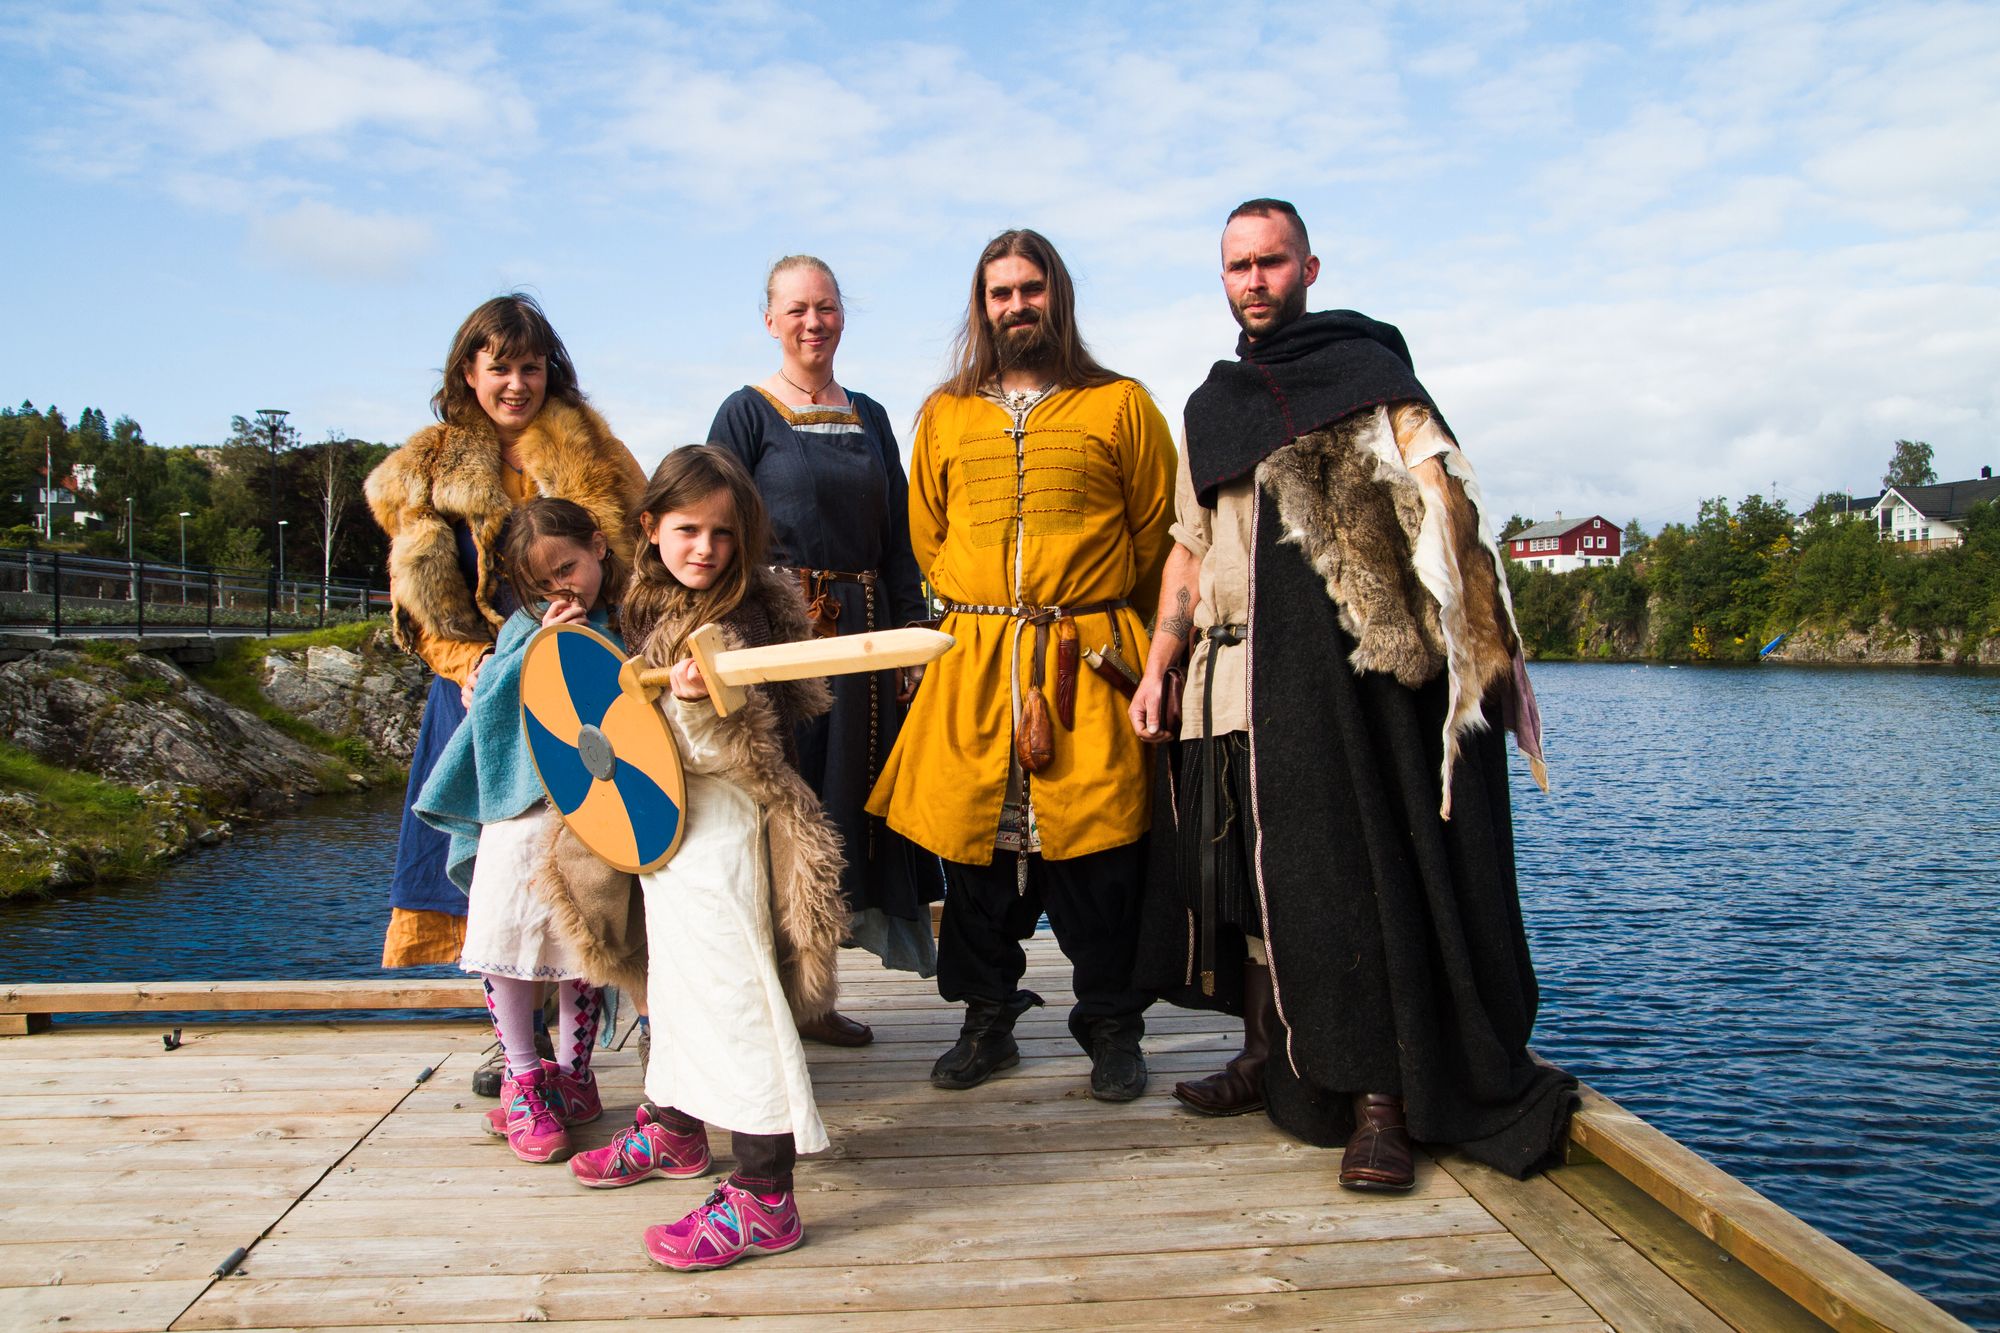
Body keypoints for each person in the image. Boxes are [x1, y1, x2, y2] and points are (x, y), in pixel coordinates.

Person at [1129, 198, 1574, 1190]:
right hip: (1228, 677)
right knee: (1245, 883)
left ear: (1309, 267)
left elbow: (1442, 500)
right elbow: (1186, 546)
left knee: (1347, 884)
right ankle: (1264, 1054)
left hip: (1337, 682)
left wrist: (1492, 640)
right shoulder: (1211, 406)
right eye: (1237, 266)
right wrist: (1160, 663)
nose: (1254, 280)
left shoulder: (1370, 378)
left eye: (1271, 263)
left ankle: (1380, 1103)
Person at [866, 229, 1176, 1102]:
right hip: (976, 659)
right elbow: (929, 533)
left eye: (1030, 288)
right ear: (982, 305)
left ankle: (1113, 1028)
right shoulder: (946, 413)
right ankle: (987, 1021)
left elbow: (1155, 538)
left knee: (1101, 859)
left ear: (1057, 295)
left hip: (1088, 657)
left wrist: (1136, 646)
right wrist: (980, 615)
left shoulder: (1121, 405)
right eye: (1000, 292)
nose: (1016, 305)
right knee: (978, 864)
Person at [566, 446, 846, 1274]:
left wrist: (712, 699)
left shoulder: (744, 615)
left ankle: (765, 1194)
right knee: (679, 989)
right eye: (688, 529)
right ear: (651, 529)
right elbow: (610, 717)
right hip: (663, 834)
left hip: (729, 827)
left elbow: (758, 747)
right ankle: (678, 1127)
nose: (706, 549)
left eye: (725, 533)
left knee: (737, 997)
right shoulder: (643, 598)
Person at [366, 294, 646, 975]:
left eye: (531, 366)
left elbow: (643, 557)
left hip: (586, 679)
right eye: (500, 368)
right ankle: (512, 1042)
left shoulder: (600, 454)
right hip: (480, 689)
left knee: (594, 860)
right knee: (497, 875)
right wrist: (472, 668)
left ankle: (600, 1025)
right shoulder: (426, 468)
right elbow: (419, 600)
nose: (517, 384)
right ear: (468, 371)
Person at [708, 255, 940, 1046]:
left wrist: (913, 636)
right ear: (770, 320)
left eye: (828, 307)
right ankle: (765, 1003)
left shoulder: (871, 416)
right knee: (780, 813)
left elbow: (900, 538)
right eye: (798, 308)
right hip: (779, 641)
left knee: (842, 818)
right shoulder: (745, 414)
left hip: (865, 644)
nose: (815, 321)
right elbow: (712, 532)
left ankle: (814, 996)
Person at [413, 498, 629, 1162]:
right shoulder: (521, 627)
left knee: (584, 940)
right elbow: (496, 703)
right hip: (518, 811)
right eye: (541, 584)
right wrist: (536, 643)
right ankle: (525, 1075)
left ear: (597, 546)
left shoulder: (622, 617)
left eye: (568, 568)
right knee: (506, 925)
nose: (559, 590)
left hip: (588, 807)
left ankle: (575, 1070)